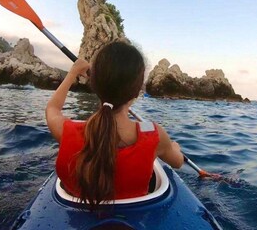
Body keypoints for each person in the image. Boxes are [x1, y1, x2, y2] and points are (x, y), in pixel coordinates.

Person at [45, 41, 184, 209]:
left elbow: (52, 108)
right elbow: (178, 162)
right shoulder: (155, 136)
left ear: (94, 85)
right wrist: (174, 147)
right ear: (137, 91)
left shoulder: (66, 130)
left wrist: (73, 72)